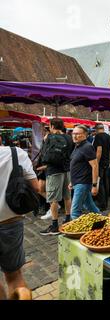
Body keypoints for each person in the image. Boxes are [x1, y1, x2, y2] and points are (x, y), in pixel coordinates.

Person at [0, 145, 39, 300]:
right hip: (11, 221)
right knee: (14, 275)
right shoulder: (16, 153)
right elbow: (35, 186)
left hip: (11, 223)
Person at [39, 119, 74, 236]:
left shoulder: (49, 138)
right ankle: (68, 219)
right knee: (67, 196)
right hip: (67, 170)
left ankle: (54, 225)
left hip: (53, 171)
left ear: (52, 126)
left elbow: (44, 154)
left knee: (53, 198)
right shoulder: (69, 138)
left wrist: (45, 141)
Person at [69, 125, 100, 220]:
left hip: (83, 183)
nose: (74, 136)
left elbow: (95, 166)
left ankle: (76, 234)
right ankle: (104, 222)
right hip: (78, 182)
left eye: (77, 134)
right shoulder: (77, 146)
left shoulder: (87, 147)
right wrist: (72, 182)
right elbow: (77, 165)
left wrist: (94, 185)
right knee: (90, 207)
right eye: (73, 133)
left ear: (85, 135)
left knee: (74, 212)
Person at [92, 124, 110, 211]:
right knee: (106, 182)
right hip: (106, 162)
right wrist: (109, 160)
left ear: (97, 129)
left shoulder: (98, 137)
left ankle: (102, 204)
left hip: (100, 163)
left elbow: (99, 150)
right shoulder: (108, 137)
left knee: (100, 183)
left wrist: (96, 163)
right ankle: (106, 203)